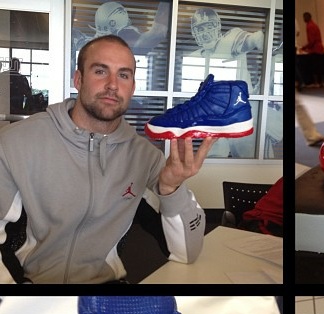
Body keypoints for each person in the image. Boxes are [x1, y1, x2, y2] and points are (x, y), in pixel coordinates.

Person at [0, 35, 217, 283]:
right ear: (78, 79)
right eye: (101, 71)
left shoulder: (145, 157)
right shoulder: (16, 142)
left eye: (123, 75)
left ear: (132, 88)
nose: (113, 85)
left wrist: (172, 189)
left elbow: (187, 253)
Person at [301, 12, 324, 88]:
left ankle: (316, 83)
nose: (303, 19)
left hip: (315, 49)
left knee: (314, 67)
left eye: (304, 17)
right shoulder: (314, 25)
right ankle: (322, 82)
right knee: (321, 66)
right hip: (320, 49)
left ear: (307, 17)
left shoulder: (309, 26)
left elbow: (312, 41)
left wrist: (304, 47)